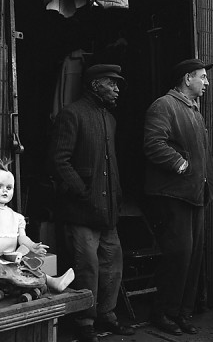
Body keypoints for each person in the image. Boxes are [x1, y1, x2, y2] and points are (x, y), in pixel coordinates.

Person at [49, 64, 134, 342]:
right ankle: (84, 321)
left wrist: (116, 194)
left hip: (107, 210)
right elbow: (59, 160)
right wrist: (82, 190)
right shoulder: (71, 114)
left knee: (113, 263)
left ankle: (107, 313)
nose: (117, 89)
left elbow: (111, 164)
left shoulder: (109, 118)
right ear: (96, 84)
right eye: (113, 84)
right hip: (82, 210)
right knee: (87, 267)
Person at [143, 58, 213, 336]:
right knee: (178, 256)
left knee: (193, 257)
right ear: (187, 79)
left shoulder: (193, 111)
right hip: (173, 195)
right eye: (202, 77)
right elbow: (153, 144)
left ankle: (182, 313)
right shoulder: (164, 105)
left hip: (194, 194)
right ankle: (163, 313)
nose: (206, 82)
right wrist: (180, 164)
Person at [0, 158, 74, 294]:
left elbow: (22, 238)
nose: (5, 191)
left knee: (26, 268)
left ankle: (53, 282)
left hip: (5, 261)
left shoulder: (17, 218)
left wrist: (33, 246)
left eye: (9, 188)